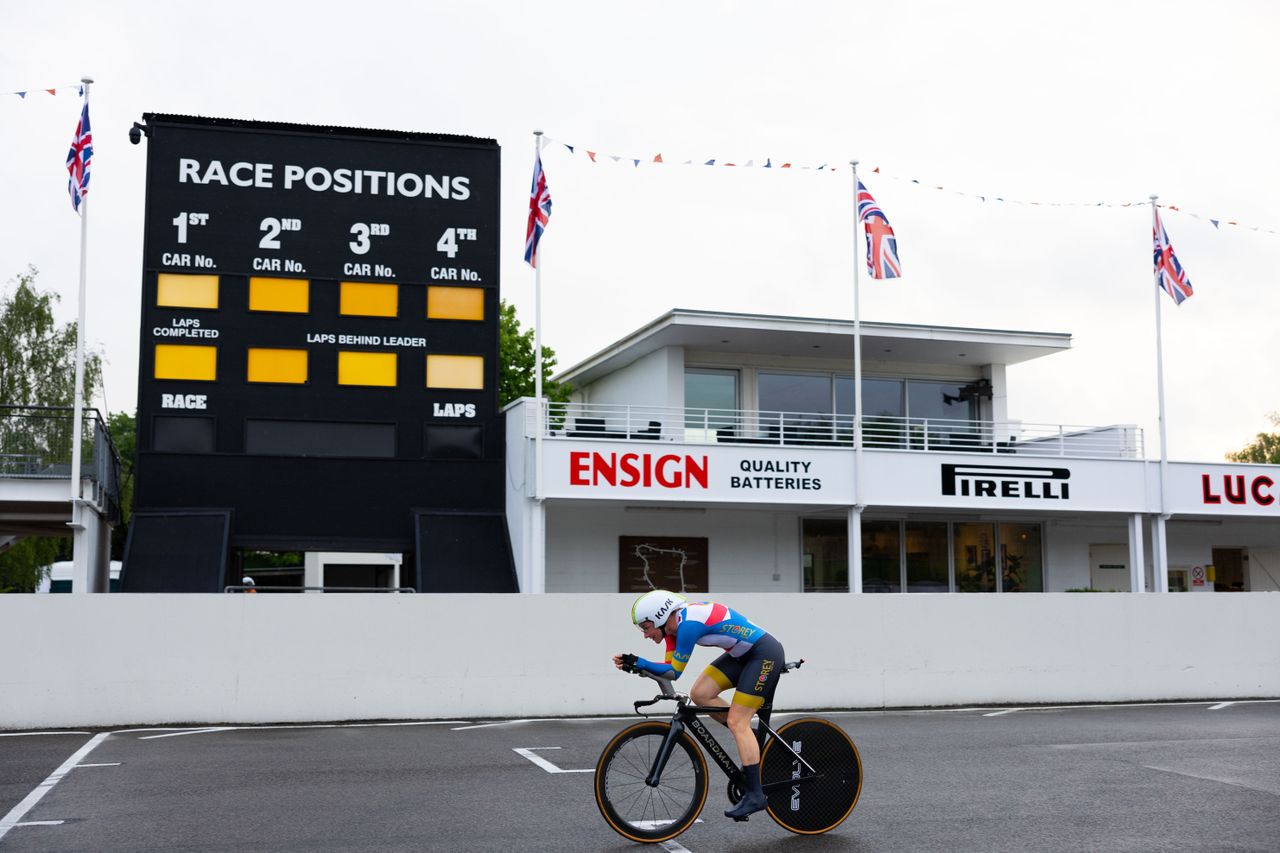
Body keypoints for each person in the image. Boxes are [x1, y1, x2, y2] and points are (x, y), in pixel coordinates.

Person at [612, 589, 784, 820]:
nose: (645, 634)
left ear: (661, 616)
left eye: (646, 627)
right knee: (700, 693)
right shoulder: (672, 630)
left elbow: (674, 671)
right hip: (742, 655)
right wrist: (636, 667)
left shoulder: (688, 625)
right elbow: (667, 671)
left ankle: (755, 795)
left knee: (737, 721)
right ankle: (750, 738)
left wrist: (639, 661)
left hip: (764, 654)